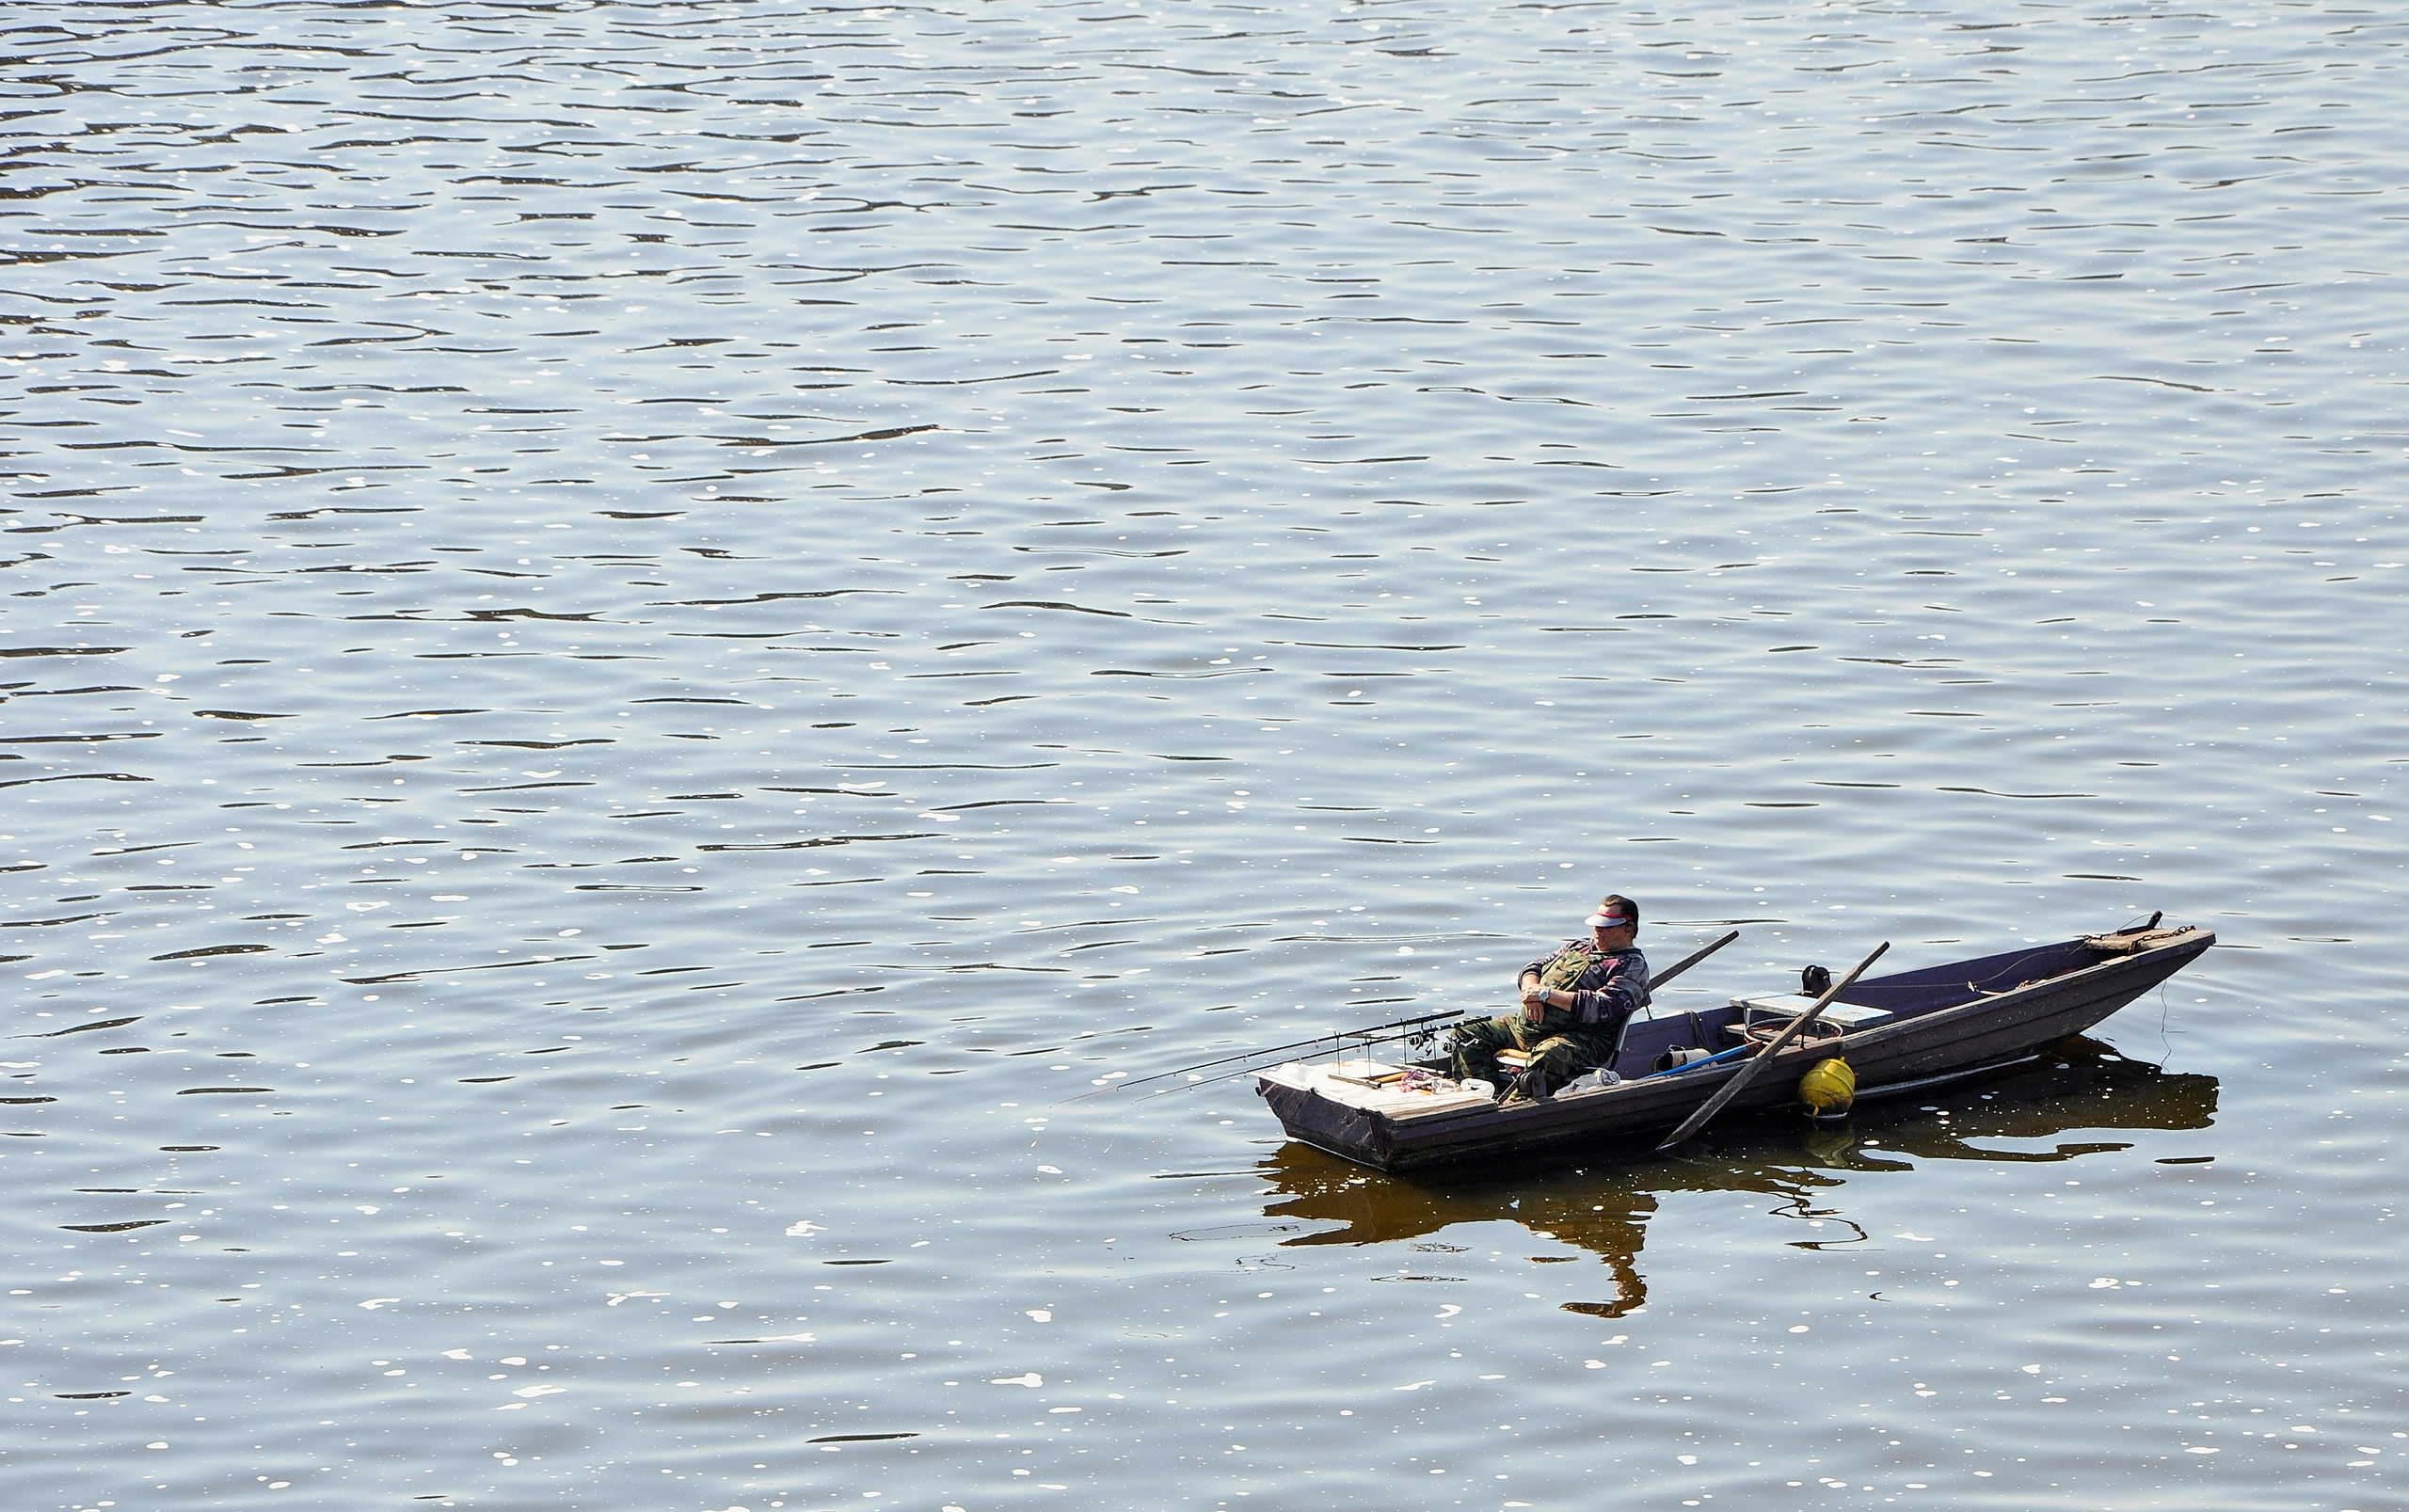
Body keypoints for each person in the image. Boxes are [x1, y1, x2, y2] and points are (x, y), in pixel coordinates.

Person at [1450, 895, 1651, 1103]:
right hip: (1527, 1028)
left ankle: (1517, 1105)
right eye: (1596, 925)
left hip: (1582, 1038)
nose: (1598, 930)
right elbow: (1534, 967)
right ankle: (1479, 1098)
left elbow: (1601, 1007)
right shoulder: (1578, 947)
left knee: (1551, 1053)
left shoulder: (1632, 966)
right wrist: (1532, 991)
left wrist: (1546, 994)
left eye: (1607, 926)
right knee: (1467, 1031)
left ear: (1628, 929)